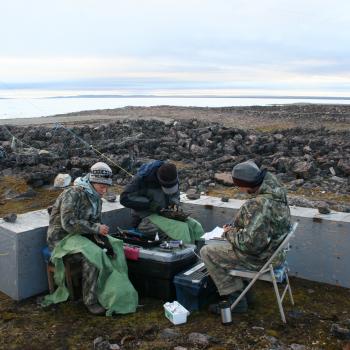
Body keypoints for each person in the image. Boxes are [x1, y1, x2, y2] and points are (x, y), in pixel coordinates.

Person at [201, 160, 291, 314]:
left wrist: (228, 233)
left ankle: (235, 299)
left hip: (261, 258)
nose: (239, 189)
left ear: (245, 184)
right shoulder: (276, 191)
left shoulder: (258, 204)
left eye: (239, 185)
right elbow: (262, 225)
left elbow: (249, 245)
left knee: (207, 251)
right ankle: (245, 293)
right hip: (276, 252)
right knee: (223, 248)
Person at [46, 162, 137, 315]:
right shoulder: (73, 193)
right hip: (62, 238)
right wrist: (96, 229)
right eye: (102, 187)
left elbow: (96, 221)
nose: (104, 190)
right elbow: (68, 223)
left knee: (115, 246)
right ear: (92, 182)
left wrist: (102, 236)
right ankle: (90, 300)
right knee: (93, 256)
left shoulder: (96, 199)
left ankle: (112, 292)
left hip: (81, 235)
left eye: (106, 187)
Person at [120, 160, 204, 243]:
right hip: (145, 220)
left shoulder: (172, 174)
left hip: (164, 216)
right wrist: (150, 205)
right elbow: (124, 198)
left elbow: (175, 195)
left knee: (195, 226)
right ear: (159, 180)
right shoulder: (142, 179)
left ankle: (200, 252)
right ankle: (186, 254)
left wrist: (174, 207)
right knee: (181, 229)